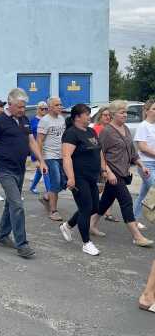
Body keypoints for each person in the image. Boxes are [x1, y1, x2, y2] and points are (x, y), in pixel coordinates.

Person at [0, 88, 48, 258]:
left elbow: (31, 141)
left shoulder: (24, 119)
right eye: (19, 107)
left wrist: (41, 160)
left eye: (24, 107)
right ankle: (22, 244)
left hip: (20, 169)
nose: (22, 110)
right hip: (4, 170)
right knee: (18, 205)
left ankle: (3, 236)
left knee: (10, 204)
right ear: (10, 104)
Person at [90, 100, 153, 247]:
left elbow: (132, 152)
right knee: (126, 201)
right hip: (113, 173)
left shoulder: (125, 128)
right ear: (113, 114)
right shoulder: (106, 131)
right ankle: (137, 236)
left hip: (124, 172)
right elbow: (100, 154)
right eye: (122, 112)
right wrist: (108, 172)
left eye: (126, 112)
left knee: (105, 201)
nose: (125, 115)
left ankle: (90, 224)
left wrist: (142, 165)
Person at [60, 104, 108, 256]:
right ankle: (86, 243)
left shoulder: (91, 131)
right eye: (86, 114)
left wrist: (103, 169)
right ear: (77, 117)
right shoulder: (71, 134)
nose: (89, 116)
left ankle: (67, 225)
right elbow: (66, 156)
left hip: (92, 177)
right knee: (86, 208)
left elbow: (98, 151)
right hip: (78, 177)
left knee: (94, 208)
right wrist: (71, 177)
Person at [37, 96, 66, 221]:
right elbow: (39, 141)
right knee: (56, 182)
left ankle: (47, 197)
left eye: (60, 104)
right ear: (49, 107)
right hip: (50, 156)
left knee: (63, 183)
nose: (60, 107)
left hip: (62, 156)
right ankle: (53, 211)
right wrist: (40, 160)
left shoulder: (61, 119)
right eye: (57, 105)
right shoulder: (44, 121)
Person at [92, 106, 117, 222]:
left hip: (112, 162)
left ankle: (108, 212)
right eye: (105, 115)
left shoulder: (112, 128)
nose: (108, 117)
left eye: (109, 115)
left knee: (111, 188)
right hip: (100, 163)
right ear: (100, 116)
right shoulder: (96, 128)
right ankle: (92, 211)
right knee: (99, 189)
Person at [133, 99, 155, 230]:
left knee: (144, 194)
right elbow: (142, 147)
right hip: (146, 165)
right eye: (154, 109)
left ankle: (134, 219)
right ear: (147, 111)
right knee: (153, 191)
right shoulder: (143, 126)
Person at [29, 101, 51, 197]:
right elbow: (29, 137)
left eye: (46, 109)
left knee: (40, 169)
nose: (44, 110)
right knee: (45, 169)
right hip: (37, 149)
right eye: (42, 108)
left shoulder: (48, 120)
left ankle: (32, 186)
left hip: (47, 148)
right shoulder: (33, 121)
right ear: (37, 109)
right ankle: (49, 191)